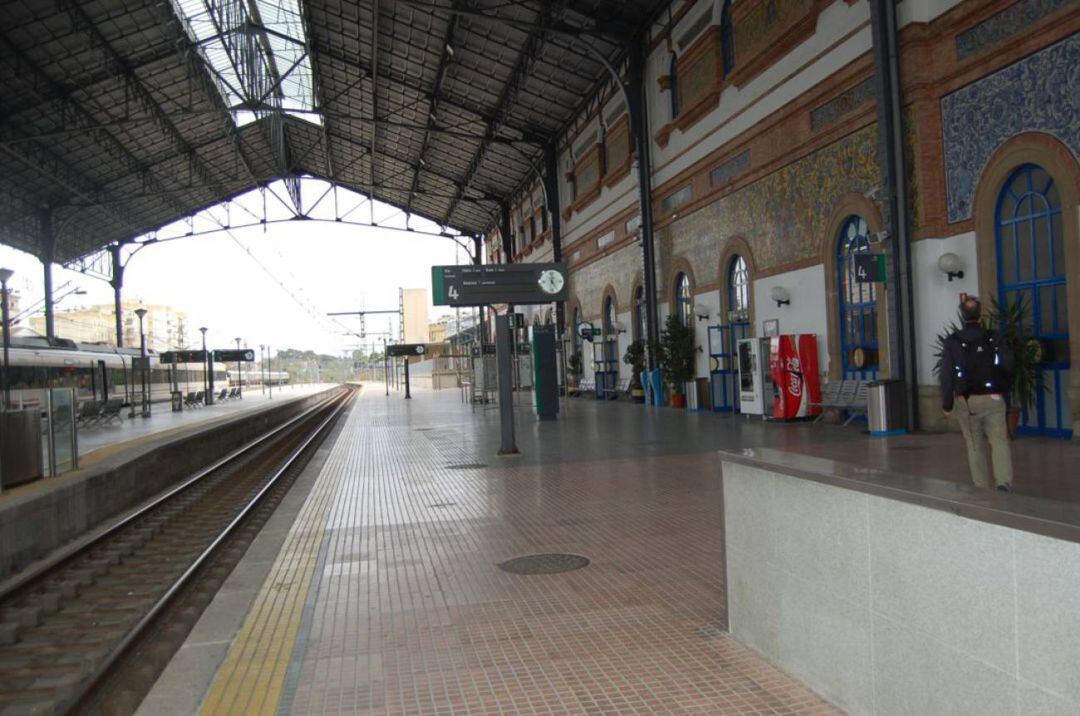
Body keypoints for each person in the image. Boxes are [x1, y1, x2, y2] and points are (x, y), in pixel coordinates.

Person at [939, 295, 1015, 491]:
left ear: (962, 315)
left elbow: (946, 375)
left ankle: (981, 486)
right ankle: (1003, 482)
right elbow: (1008, 364)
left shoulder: (952, 342)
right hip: (994, 397)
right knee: (999, 440)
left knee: (974, 444)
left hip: (967, 400)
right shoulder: (994, 337)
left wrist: (947, 405)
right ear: (980, 314)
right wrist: (1004, 389)